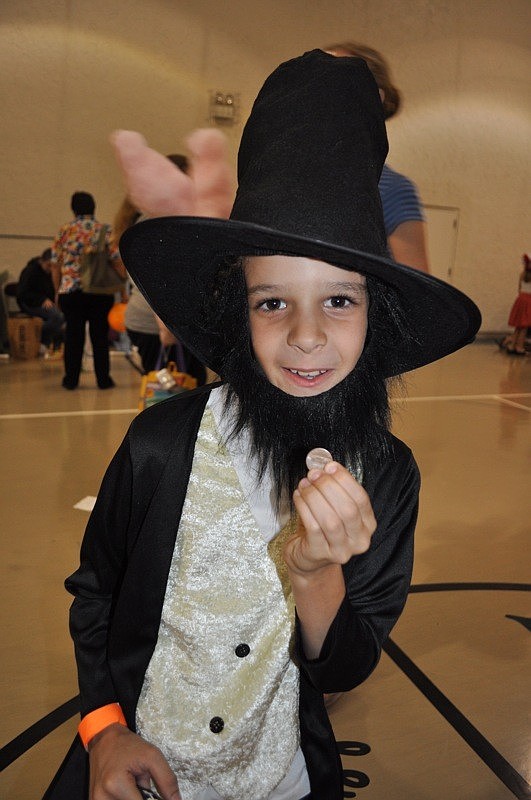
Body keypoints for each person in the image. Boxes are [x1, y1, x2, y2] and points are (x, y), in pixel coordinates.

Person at [56, 51, 480, 800]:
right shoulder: (159, 446)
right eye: (272, 301)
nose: (307, 336)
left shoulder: (385, 472)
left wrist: (314, 572)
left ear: (376, 317)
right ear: (236, 312)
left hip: (279, 778)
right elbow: (96, 595)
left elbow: (345, 667)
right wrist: (103, 729)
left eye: (340, 301)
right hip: (138, 767)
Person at [324, 42, 430, 273]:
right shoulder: (287, 178)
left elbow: (413, 298)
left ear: (374, 96)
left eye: (334, 79)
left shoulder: (392, 190)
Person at [115, 155, 207, 384]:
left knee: (165, 391)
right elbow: (162, 278)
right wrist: (167, 326)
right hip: (161, 325)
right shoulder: (163, 220)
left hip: (149, 321)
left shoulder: (151, 216)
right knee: (182, 395)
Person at [51, 192, 125, 389]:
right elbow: (117, 261)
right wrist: (123, 282)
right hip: (99, 292)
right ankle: (103, 380)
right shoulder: (105, 231)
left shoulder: (64, 231)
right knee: (100, 336)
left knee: (73, 336)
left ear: (73, 209)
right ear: (94, 207)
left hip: (70, 292)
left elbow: (55, 264)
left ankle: (71, 380)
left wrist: (58, 290)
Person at [16, 247, 65, 351]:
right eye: (49, 265)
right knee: (57, 316)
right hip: (30, 302)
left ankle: (46, 341)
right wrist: (42, 299)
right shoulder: (30, 271)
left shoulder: (51, 273)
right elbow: (23, 293)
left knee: (63, 316)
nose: (50, 269)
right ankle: (35, 333)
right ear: (42, 261)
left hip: (45, 301)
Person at [499, 253, 531, 355]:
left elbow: (519, 288)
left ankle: (512, 346)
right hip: (528, 301)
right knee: (524, 327)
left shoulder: (522, 274)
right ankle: (519, 347)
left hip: (520, 299)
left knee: (518, 326)